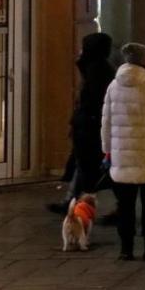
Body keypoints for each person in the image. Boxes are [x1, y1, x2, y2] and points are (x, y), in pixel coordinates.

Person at [101, 42, 145, 260]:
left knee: (125, 206)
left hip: (121, 155)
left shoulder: (113, 86)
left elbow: (107, 122)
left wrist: (107, 150)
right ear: (143, 60)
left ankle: (126, 249)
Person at [49, 33, 117, 215]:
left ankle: (78, 204)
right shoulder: (97, 67)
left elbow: (92, 100)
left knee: (91, 167)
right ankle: (73, 201)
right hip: (90, 126)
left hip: (90, 127)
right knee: (88, 166)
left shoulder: (97, 70)